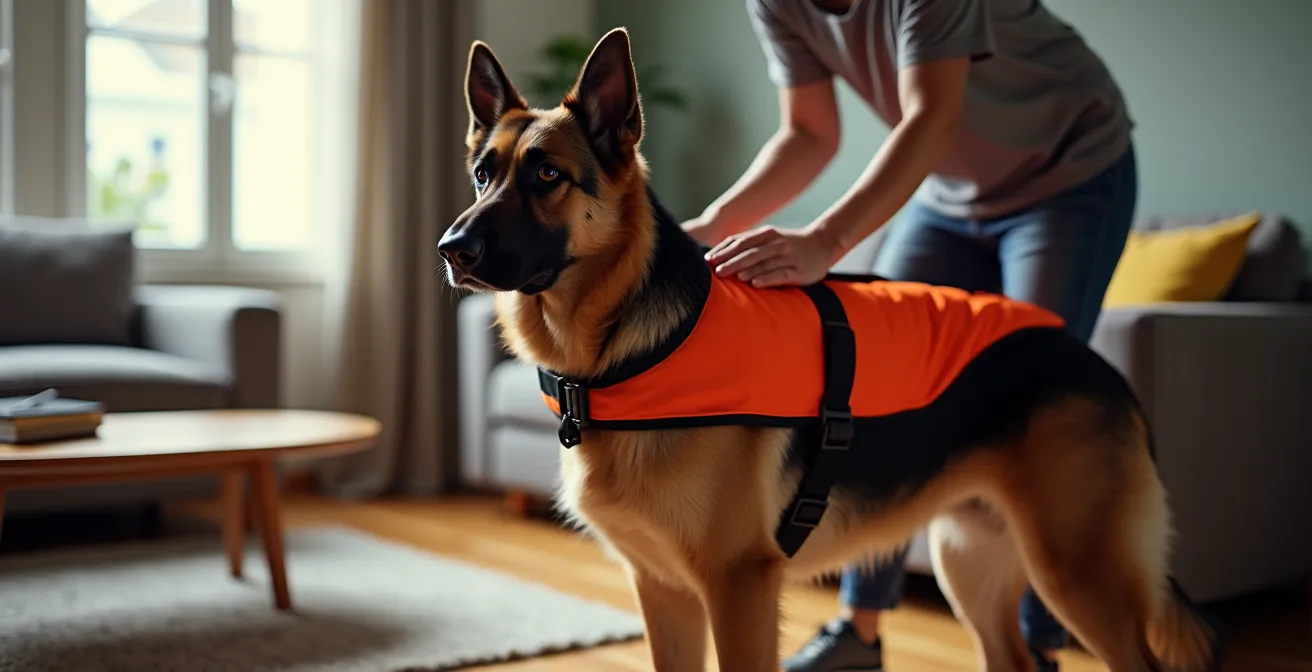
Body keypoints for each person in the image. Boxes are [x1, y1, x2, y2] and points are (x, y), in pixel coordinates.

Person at [680, 0, 1138, 670]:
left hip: (1067, 175)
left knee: (1032, 411)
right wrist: (712, 225)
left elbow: (931, 115)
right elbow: (809, 132)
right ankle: (859, 634)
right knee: (872, 383)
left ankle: (1036, 651)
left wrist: (826, 240)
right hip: (948, 194)